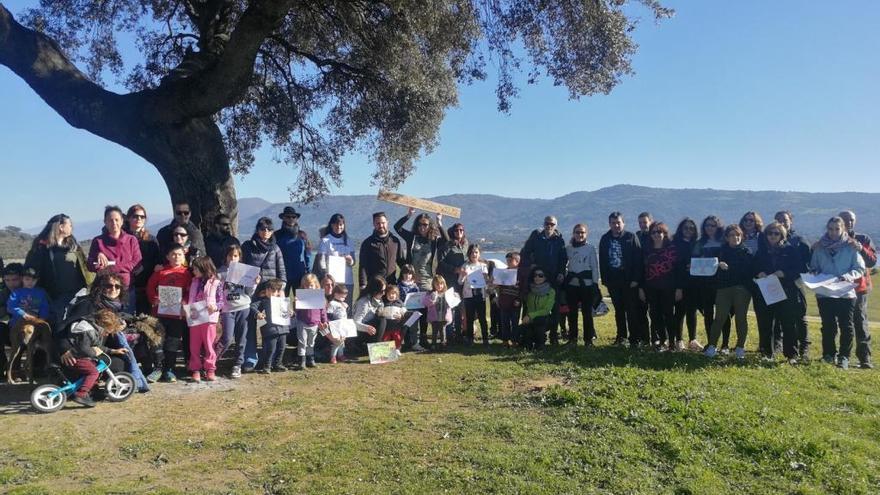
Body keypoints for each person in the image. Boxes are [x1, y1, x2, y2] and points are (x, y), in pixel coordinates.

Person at [810, 216, 866, 370]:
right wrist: (814, 272)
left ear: (843, 229)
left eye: (837, 229)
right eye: (830, 229)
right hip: (825, 292)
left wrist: (847, 277)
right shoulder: (820, 247)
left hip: (845, 293)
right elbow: (814, 265)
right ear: (826, 229)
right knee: (827, 326)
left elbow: (859, 268)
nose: (833, 232)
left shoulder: (851, 247)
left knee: (846, 326)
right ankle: (828, 354)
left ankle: (844, 357)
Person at [25, 214, 93, 326]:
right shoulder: (41, 247)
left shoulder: (74, 245)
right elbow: (31, 271)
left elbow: (84, 267)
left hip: (75, 294)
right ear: (61, 227)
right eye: (70, 225)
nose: (72, 228)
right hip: (50, 296)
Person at [395, 208, 447, 347]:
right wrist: (408, 215)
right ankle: (408, 339)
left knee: (424, 310)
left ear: (429, 225)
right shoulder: (412, 237)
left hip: (427, 280)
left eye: (425, 224)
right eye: (419, 224)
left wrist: (439, 222)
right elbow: (397, 227)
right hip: (410, 280)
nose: (422, 227)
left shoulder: (434, 241)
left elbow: (446, 239)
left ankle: (423, 337)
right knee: (410, 310)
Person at [753, 222, 803, 363]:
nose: (773, 236)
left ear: (782, 235)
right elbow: (753, 267)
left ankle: (791, 355)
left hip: (786, 292)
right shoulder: (761, 251)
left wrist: (784, 273)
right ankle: (766, 353)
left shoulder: (790, 250)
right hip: (766, 291)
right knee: (766, 324)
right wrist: (759, 272)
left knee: (788, 324)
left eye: (776, 233)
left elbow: (798, 270)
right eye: (770, 233)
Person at [57, 309, 126, 408]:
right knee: (93, 372)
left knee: (94, 366)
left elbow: (96, 346)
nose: (106, 335)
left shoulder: (93, 329)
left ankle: (91, 388)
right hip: (77, 357)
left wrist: (113, 351)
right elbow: (84, 349)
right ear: (102, 325)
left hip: (79, 355)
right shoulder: (88, 331)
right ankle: (82, 394)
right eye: (106, 332)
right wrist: (94, 353)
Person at [704, 225, 754, 360]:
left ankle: (740, 348)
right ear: (726, 237)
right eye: (731, 235)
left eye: (737, 235)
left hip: (742, 290)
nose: (735, 237)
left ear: (741, 236)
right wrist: (718, 264)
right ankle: (712, 346)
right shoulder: (720, 252)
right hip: (723, 289)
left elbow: (750, 272)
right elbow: (708, 265)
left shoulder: (747, 252)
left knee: (741, 318)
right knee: (719, 317)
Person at [146, 244, 193, 383]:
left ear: (184, 256)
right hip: (159, 313)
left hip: (177, 315)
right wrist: (155, 299)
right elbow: (150, 287)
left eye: (179, 254)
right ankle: (158, 369)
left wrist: (184, 303)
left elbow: (190, 291)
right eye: (173, 254)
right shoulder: (160, 272)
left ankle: (169, 370)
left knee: (173, 343)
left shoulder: (187, 273)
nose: (176, 257)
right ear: (167, 256)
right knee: (158, 342)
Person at [599, 212, 645, 347]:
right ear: (609, 224)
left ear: (623, 223)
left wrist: (636, 279)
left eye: (618, 222)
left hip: (629, 279)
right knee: (618, 310)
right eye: (613, 223)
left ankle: (634, 339)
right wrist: (605, 280)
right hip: (613, 279)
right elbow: (602, 260)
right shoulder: (605, 238)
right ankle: (621, 337)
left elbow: (638, 259)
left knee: (632, 310)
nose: (616, 225)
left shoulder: (631, 237)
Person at [520, 216, 567, 345]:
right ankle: (526, 334)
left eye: (552, 224)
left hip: (553, 277)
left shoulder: (559, 240)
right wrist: (532, 265)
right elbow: (524, 253)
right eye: (547, 223)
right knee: (529, 304)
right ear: (543, 224)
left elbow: (563, 259)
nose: (549, 226)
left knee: (555, 308)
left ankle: (553, 335)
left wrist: (562, 273)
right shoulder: (535, 237)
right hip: (537, 277)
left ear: (555, 225)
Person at [839, 210, 876, 369]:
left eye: (852, 220)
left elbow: (872, 261)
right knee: (839, 323)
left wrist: (860, 248)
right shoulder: (833, 238)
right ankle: (837, 356)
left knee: (860, 322)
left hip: (859, 288)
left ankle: (864, 358)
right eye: (846, 220)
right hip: (838, 287)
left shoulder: (863, 239)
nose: (849, 223)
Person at [639, 222, 683, 352]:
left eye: (660, 232)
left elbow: (679, 270)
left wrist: (679, 288)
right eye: (654, 232)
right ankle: (661, 340)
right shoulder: (646, 250)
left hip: (669, 288)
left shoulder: (672, 249)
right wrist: (641, 288)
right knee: (655, 315)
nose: (657, 235)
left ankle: (672, 342)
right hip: (651, 287)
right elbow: (642, 270)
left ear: (665, 233)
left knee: (669, 315)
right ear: (650, 234)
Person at [87, 205, 143, 309]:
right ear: (105, 222)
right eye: (110, 220)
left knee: (128, 321)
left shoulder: (131, 240)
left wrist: (110, 267)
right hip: (105, 291)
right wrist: (98, 257)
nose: (114, 223)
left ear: (122, 221)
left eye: (117, 220)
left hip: (126, 289)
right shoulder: (97, 241)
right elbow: (90, 265)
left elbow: (136, 262)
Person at [774, 210, 811, 357]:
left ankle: (804, 346)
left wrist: (791, 275)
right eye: (778, 220)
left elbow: (806, 265)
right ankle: (777, 344)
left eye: (784, 220)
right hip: (776, 285)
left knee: (800, 316)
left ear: (791, 221)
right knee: (778, 316)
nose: (781, 223)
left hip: (795, 284)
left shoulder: (799, 241)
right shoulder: (772, 238)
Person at [218, 245, 256, 378]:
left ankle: (237, 365)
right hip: (227, 310)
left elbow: (249, 293)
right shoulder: (220, 273)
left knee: (242, 338)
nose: (233, 258)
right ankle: (211, 361)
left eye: (236, 256)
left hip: (243, 308)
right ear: (226, 257)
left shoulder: (245, 271)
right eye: (230, 256)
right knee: (227, 338)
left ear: (240, 257)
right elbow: (217, 293)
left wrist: (254, 283)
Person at [692, 216, 730, 353]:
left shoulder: (725, 242)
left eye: (713, 225)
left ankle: (725, 345)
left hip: (721, 282)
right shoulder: (699, 243)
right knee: (708, 313)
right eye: (707, 225)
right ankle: (710, 343)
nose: (710, 228)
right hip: (705, 283)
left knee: (723, 314)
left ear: (718, 227)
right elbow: (694, 260)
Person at [564, 224, 600, 347]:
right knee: (572, 313)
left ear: (586, 234)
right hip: (572, 285)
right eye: (577, 232)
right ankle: (572, 338)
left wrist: (595, 284)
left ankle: (588, 339)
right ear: (573, 233)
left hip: (587, 284)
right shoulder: (568, 248)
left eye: (582, 232)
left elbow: (595, 267)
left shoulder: (590, 248)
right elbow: (565, 265)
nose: (580, 235)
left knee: (587, 313)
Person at [187, 256, 222, 382]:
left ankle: (210, 369)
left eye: (196, 269)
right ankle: (195, 369)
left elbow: (221, 301)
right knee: (194, 345)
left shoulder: (216, 282)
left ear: (204, 268)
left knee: (209, 344)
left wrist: (216, 307)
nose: (194, 271)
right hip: (195, 317)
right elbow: (190, 297)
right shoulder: (194, 281)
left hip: (209, 319)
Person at [125, 205, 162, 314]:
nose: (139, 219)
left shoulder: (151, 240)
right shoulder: (122, 239)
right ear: (128, 218)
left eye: (142, 216)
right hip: (127, 288)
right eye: (135, 216)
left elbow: (158, 262)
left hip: (146, 288)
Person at [314, 213, 356, 306]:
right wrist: (326, 276)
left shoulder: (349, 240)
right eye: (336, 224)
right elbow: (322, 262)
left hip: (347, 281)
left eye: (341, 224)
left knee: (346, 307)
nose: (339, 227)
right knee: (331, 307)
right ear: (332, 225)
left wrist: (350, 261)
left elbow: (354, 262)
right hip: (332, 282)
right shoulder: (325, 240)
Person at [251, 278, 291, 373]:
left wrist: (291, 312)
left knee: (281, 348)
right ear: (267, 290)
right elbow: (252, 307)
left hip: (283, 329)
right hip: (270, 331)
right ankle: (267, 366)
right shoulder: (262, 301)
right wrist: (258, 314)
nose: (275, 293)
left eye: (278, 290)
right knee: (270, 349)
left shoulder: (282, 301)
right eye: (273, 290)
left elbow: (287, 312)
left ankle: (278, 364)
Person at [358, 211, 404, 295]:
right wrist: (362, 285)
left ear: (387, 222)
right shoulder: (368, 243)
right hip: (374, 286)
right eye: (378, 223)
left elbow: (401, 262)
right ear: (374, 224)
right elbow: (363, 266)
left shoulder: (395, 241)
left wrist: (407, 277)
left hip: (391, 286)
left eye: (383, 223)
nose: (381, 225)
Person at [672, 218, 700, 351]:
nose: (689, 230)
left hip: (694, 283)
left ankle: (692, 339)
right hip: (680, 283)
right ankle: (679, 340)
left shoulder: (697, 243)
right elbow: (674, 266)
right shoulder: (675, 244)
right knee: (679, 312)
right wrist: (678, 287)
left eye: (691, 228)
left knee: (692, 312)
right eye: (686, 228)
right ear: (681, 229)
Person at [437, 222, 468, 340]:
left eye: (461, 230)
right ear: (452, 232)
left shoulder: (465, 244)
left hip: (463, 282)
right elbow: (441, 262)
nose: (459, 232)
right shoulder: (447, 245)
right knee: (450, 308)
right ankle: (449, 335)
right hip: (450, 281)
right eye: (456, 230)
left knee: (461, 308)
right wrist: (454, 269)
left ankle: (459, 334)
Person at [242, 217, 287, 289]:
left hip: (270, 288)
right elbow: (241, 266)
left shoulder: (276, 248)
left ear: (272, 232)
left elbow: (281, 270)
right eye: (263, 229)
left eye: (269, 229)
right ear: (257, 230)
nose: (266, 231)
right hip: (251, 286)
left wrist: (281, 288)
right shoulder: (247, 246)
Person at [295, 274, 328, 370]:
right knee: (302, 342)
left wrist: (324, 321)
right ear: (303, 286)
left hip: (315, 324)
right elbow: (296, 312)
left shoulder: (319, 298)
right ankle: (302, 361)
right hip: (302, 323)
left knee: (311, 342)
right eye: (307, 285)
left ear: (316, 286)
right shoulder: (301, 297)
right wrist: (296, 304)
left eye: (311, 285)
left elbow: (323, 312)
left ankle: (310, 360)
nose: (309, 287)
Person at [275, 207, 310, 296]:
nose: (291, 219)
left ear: (296, 218)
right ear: (283, 218)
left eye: (293, 217)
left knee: (301, 303)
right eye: (288, 217)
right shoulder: (277, 235)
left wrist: (308, 271)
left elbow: (307, 254)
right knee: (281, 302)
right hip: (282, 274)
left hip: (300, 274)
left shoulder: (302, 235)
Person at [459, 244, 490, 346]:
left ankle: (485, 339)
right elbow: (460, 282)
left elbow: (487, 282)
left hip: (480, 295)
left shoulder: (483, 266)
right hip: (469, 295)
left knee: (482, 318)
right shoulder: (465, 266)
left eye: (476, 252)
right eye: (472, 252)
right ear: (469, 254)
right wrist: (463, 275)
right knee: (469, 318)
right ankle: (470, 339)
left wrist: (486, 278)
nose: (474, 254)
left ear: (479, 254)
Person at [519, 267, 556, 351]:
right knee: (523, 330)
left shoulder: (551, 291)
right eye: (535, 275)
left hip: (544, 318)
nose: (537, 278)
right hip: (529, 318)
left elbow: (546, 310)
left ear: (545, 277)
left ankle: (540, 344)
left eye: (540, 275)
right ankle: (527, 343)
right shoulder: (529, 290)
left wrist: (530, 316)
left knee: (539, 323)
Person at [494, 252, 522, 347]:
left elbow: (523, 289)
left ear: (517, 261)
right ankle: (505, 340)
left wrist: (519, 299)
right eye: (507, 261)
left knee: (515, 322)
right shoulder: (504, 272)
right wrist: (497, 297)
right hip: (504, 300)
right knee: (504, 322)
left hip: (515, 302)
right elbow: (499, 287)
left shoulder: (520, 274)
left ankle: (515, 340)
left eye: (510, 261)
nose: (508, 262)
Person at [351, 276, 383, 354]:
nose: (384, 293)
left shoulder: (379, 301)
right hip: (361, 332)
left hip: (371, 331)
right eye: (382, 291)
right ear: (375, 290)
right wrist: (366, 328)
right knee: (383, 320)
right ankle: (376, 350)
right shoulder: (364, 303)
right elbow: (355, 323)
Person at [397, 264, 424, 351]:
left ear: (412, 274)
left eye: (410, 274)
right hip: (404, 311)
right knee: (403, 328)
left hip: (414, 311)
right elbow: (397, 299)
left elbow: (418, 298)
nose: (407, 276)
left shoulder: (415, 286)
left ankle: (415, 343)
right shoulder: (399, 286)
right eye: (405, 273)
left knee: (414, 328)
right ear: (402, 274)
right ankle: (400, 344)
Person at [422, 275, 452, 350]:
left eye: (441, 284)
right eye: (437, 284)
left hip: (444, 317)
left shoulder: (447, 293)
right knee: (434, 331)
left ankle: (443, 343)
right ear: (433, 285)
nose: (439, 286)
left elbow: (452, 302)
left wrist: (454, 299)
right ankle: (433, 344)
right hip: (434, 317)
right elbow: (425, 302)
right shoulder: (430, 293)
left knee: (443, 331)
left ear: (444, 284)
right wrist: (432, 300)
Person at [326, 284, 349, 364]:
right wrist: (331, 323)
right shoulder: (332, 303)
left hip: (343, 325)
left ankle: (341, 354)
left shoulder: (343, 304)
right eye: (342, 296)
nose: (344, 298)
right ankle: (333, 356)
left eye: (345, 297)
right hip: (335, 326)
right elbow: (328, 315)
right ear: (335, 294)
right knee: (337, 342)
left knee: (342, 342)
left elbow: (344, 314)